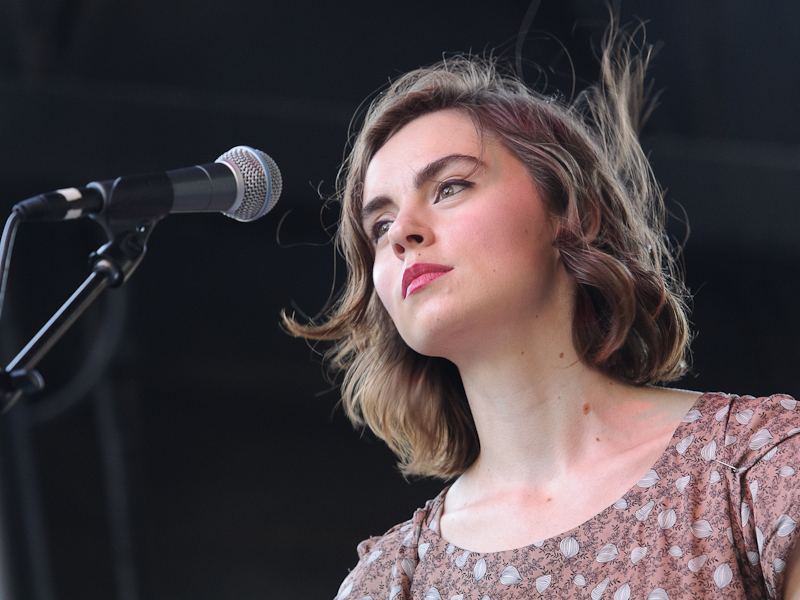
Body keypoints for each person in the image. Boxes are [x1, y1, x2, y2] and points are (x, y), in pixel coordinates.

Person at [283, 24, 800, 600]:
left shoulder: (759, 469)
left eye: (450, 187)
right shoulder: (390, 582)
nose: (402, 231)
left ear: (572, 213)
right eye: (379, 226)